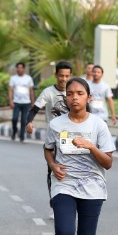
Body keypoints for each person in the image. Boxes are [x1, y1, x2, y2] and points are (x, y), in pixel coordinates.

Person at [44, 77, 115, 235]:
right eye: (70, 93)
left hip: (92, 187)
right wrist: (53, 165)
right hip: (64, 184)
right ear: (66, 97)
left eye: (80, 93)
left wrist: (91, 146)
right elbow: (48, 150)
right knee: (64, 232)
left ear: (88, 97)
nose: (75, 97)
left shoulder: (97, 125)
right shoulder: (56, 125)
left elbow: (108, 162)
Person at [27, 61, 72, 219]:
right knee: (53, 171)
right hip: (54, 138)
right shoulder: (48, 92)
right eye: (61, 75)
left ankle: (72, 204)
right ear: (56, 75)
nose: (64, 79)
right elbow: (34, 108)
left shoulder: (74, 91)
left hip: (73, 138)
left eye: (67, 76)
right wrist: (29, 121)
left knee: (72, 170)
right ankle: (54, 204)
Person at [8, 61, 34, 142]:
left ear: (23, 69)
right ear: (16, 69)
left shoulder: (28, 78)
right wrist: (10, 101)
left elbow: (31, 91)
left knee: (24, 120)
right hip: (16, 102)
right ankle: (14, 130)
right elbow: (10, 90)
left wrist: (32, 102)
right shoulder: (13, 78)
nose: (19, 69)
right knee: (14, 119)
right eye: (18, 68)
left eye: (21, 68)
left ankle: (22, 136)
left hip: (26, 102)